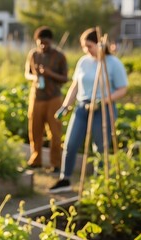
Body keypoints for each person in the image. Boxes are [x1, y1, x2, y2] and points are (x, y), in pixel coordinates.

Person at [49, 27, 128, 193]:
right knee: (70, 144)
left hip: (103, 109)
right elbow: (75, 86)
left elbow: (122, 89)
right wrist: (65, 106)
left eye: (89, 46)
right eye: (84, 47)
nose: (86, 50)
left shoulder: (112, 63)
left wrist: (103, 100)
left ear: (100, 44)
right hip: (82, 107)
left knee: (100, 147)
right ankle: (65, 179)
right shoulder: (83, 61)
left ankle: (100, 182)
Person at [24, 26, 69, 172]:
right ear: (36, 41)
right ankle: (35, 159)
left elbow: (65, 78)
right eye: (40, 42)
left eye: (46, 43)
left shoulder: (59, 56)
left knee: (55, 133)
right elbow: (27, 74)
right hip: (36, 98)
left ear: (51, 42)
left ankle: (55, 163)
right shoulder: (33, 54)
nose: (43, 45)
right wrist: (35, 77)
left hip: (53, 99)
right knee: (35, 130)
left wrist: (50, 73)